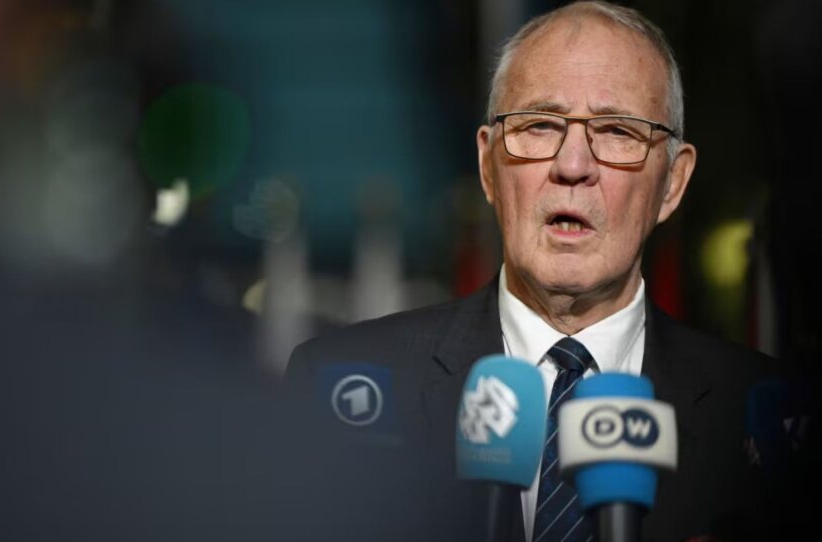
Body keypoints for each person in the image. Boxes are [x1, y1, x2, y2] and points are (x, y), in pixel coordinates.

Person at [285, 2, 792, 541]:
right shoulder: (338, 385)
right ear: (488, 166)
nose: (572, 166)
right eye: (540, 125)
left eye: (618, 131)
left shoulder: (770, 411)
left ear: (672, 183)